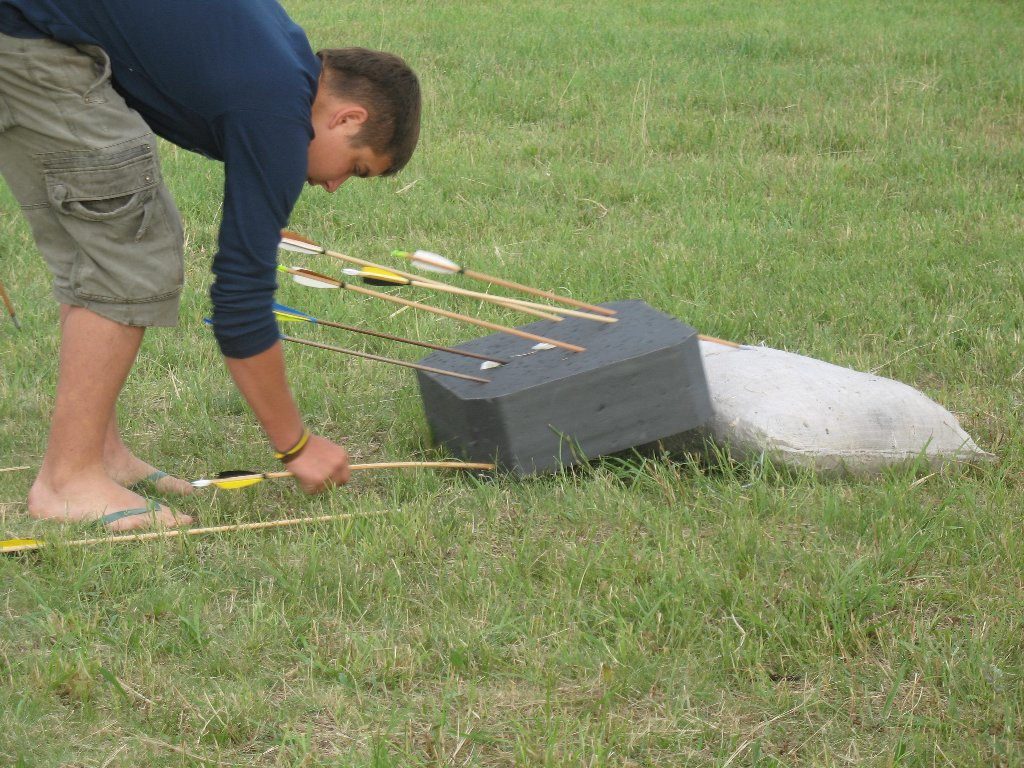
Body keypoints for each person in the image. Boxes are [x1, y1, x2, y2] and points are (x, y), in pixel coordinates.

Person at [0, 0, 421, 531]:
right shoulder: (278, 110)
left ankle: (99, 455)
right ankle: (68, 481)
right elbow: (240, 304)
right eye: (355, 168)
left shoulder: (282, 57)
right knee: (129, 245)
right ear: (348, 117)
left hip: (32, 32)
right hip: (29, 39)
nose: (335, 185)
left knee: (105, 237)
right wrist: (296, 445)